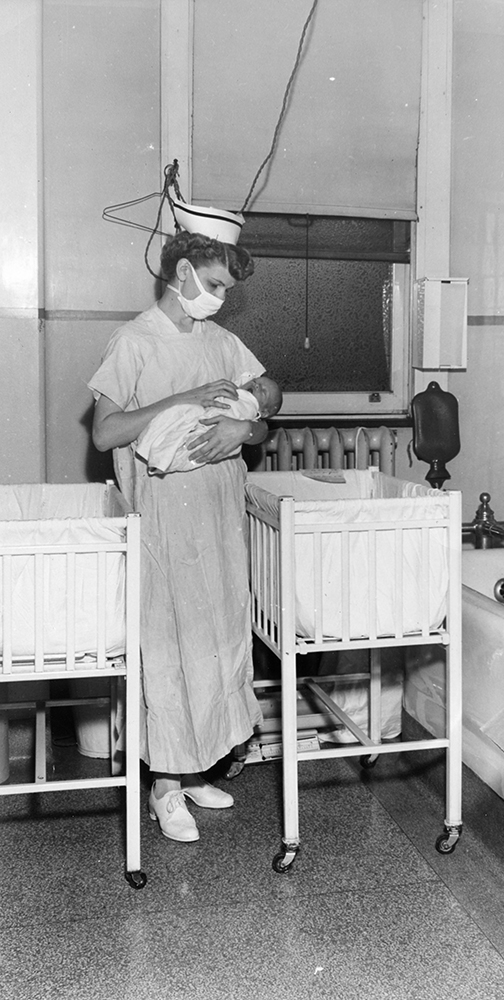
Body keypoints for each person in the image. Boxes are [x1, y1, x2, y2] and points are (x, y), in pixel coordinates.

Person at [88, 228, 271, 844]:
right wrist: (183, 398)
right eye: (214, 285)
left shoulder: (222, 341)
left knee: (216, 639)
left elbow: (265, 409)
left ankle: (195, 769)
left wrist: (242, 433)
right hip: (165, 519)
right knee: (168, 645)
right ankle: (165, 786)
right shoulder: (134, 341)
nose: (219, 298)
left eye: (226, 290)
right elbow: (105, 434)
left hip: (219, 514)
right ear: (184, 271)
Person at [135, 375, 282, 475]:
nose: (256, 387)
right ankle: (153, 450)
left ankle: (162, 462)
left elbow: (261, 429)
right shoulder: (240, 388)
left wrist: (246, 428)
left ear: (264, 412)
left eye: (262, 391)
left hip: (214, 437)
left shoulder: (251, 407)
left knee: (192, 449)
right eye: (256, 383)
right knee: (179, 417)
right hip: (200, 417)